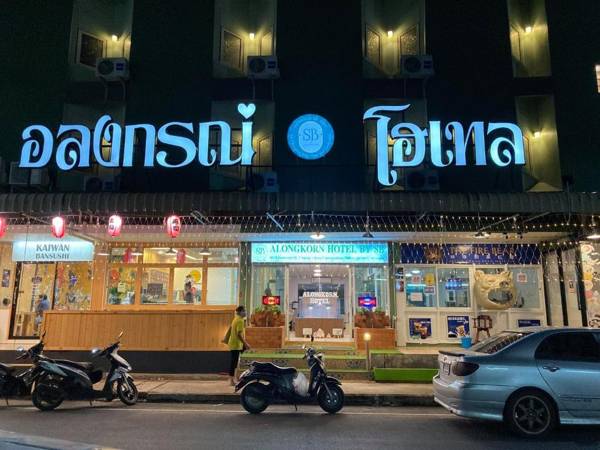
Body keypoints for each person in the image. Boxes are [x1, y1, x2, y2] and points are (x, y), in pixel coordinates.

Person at [227, 305, 251, 386]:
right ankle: (231, 380)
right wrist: (246, 344)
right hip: (236, 344)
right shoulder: (240, 320)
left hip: (234, 344)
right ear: (240, 312)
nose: (245, 312)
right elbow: (239, 334)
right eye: (244, 311)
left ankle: (234, 378)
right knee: (234, 362)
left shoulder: (235, 319)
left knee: (235, 361)